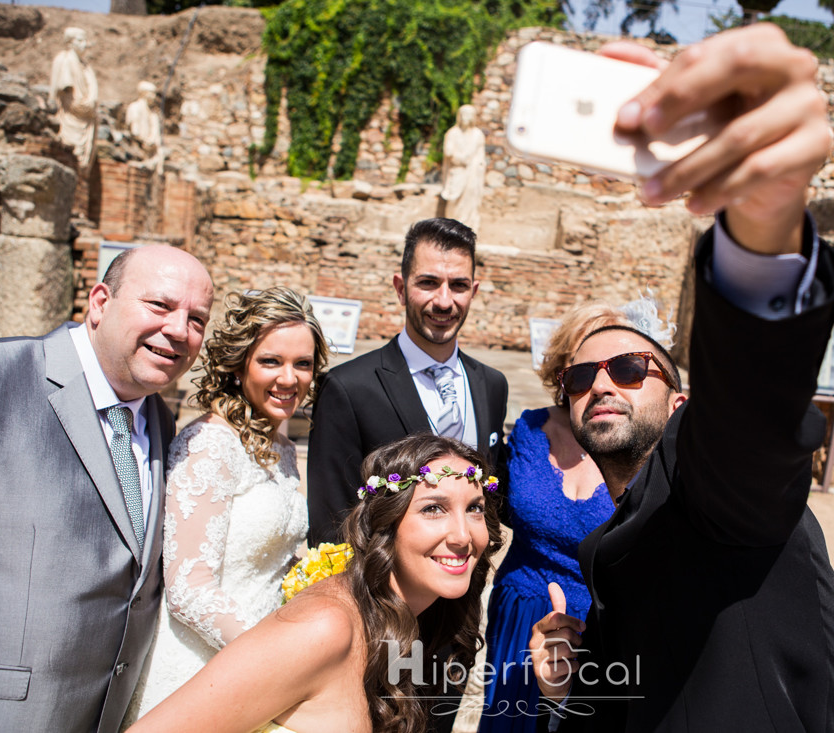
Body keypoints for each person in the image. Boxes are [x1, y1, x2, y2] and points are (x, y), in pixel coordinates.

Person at [529, 24, 834, 731]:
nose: (600, 383)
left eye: (627, 366)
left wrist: (762, 224)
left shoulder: (709, 484)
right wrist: (570, 688)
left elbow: (754, 415)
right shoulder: (609, 541)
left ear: (679, 399)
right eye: (581, 376)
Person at [0, 245, 214, 732]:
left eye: (197, 319)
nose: (179, 331)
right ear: (100, 302)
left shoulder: (162, 424)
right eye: (159, 306)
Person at [127, 433, 503, 733]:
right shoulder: (325, 626)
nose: (462, 536)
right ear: (386, 523)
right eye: (433, 509)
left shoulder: (416, 619)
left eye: (474, 508)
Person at [123, 287, 330, 724]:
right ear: (238, 366)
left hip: (256, 663)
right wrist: (276, 654)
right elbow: (187, 588)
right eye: (271, 361)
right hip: (201, 667)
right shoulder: (210, 446)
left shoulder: (281, 444)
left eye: (303, 364)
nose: (290, 378)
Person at [480, 299, 673, 732]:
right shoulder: (530, 429)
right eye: (583, 366)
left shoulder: (642, 445)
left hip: (597, 625)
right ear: (563, 371)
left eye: (620, 367)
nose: (600, 381)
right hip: (518, 612)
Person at [307, 217, 508, 545]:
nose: (444, 301)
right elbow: (331, 526)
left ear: (473, 291)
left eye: (457, 285)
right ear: (401, 289)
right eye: (428, 283)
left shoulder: (492, 385)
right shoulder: (348, 388)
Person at [49, 26, 99, 170]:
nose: (84, 44)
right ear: (70, 42)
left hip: (86, 117)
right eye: (80, 40)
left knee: (81, 166)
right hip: (69, 117)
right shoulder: (63, 60)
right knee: (68, 158)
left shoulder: (86, 66)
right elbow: (58, 90)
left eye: (85, 40)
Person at [441, 104, 487, 231]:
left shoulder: (478, 135)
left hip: (472, 173)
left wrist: (475, 164)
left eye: (469, 115)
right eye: (463, 114)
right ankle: (451, 227)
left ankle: (467, 228)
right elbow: (448, 152)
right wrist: (460, 158)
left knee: (470, 199)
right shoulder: (452, 133)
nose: (465, 117)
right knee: (454, 199)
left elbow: (480, 157)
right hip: (457, 171)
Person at [126, 81, 162, 149]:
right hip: (138, 146)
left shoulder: (152, 112)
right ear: (144, 93)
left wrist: (151, 141)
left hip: (150, 146)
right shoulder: (134, 107)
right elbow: (134, 131)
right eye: (152, 93)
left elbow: (155, 130)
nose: (154, 96)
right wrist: (143, 142)